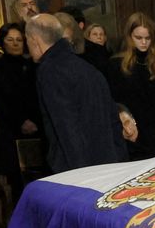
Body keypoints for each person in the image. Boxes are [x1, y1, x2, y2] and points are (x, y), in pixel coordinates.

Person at [24, 14, 127, 173]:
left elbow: (66, 126)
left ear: (34, 40)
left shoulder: (50, 70)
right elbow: (113, 119)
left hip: (77, 170)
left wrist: (80, 174)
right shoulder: (89, 69)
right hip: (108, 163)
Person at [107, 13, 155, 161]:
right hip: (132, 135)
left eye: (148, 38)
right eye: (138, 38)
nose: (143, 42)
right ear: (129, 36)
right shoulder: (116, 65)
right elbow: (116, 103)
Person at [0, 23, 40, 202]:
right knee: (16, 181)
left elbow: (39, 96)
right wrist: (21, 121)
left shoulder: (34, 66)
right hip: (10, 128)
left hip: (37, 127)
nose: (15, 43)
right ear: (2, 42)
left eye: (19, 40)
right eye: (10, 40)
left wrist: (34, 121)